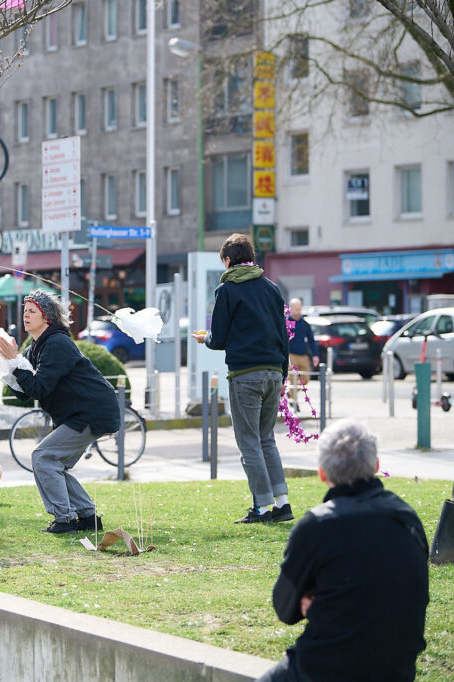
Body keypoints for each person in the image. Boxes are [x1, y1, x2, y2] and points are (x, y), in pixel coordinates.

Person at [259, 420, 428, 681]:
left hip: (325, 668)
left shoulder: (317, 526)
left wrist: (314, 604)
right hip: (397, 670)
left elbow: (284, 608)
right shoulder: (408, 519)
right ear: (376, 466)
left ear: (322, 473)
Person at [0, 290, 119, 533]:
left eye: (32, 312)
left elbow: (39, 387)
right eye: (25, 311)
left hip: (90, 412)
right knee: (53, 462)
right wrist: (9, 364)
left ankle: (65, 519)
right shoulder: (37, 345)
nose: (26, 316)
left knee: (43, 457)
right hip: (80, 413)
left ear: (47, 318)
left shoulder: (57, 343)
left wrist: (16, 362)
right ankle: (88, 517)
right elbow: (25, 392)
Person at [193, 233, 292, 524]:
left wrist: (205, 339)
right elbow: (283, 335)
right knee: (267, 440)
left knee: (249, 442)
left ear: (227, 260)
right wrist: (282, 373)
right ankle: (282, 503)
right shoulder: (271, 288)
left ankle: (262, 508)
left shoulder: (228, 290)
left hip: (245, 374)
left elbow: (220, 337)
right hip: (274, 371)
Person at [286, 298, 318, 411]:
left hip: (303, 354)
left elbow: (311, 340)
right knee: (293, 379)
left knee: (306, 378)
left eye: (299, 309)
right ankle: (294, 403)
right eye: (295, 309)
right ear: (291, 309)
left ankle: (290, 394)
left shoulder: (304, 323)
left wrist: (315, 355)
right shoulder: (287, 322)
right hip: (291, 354)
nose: (298, 312)